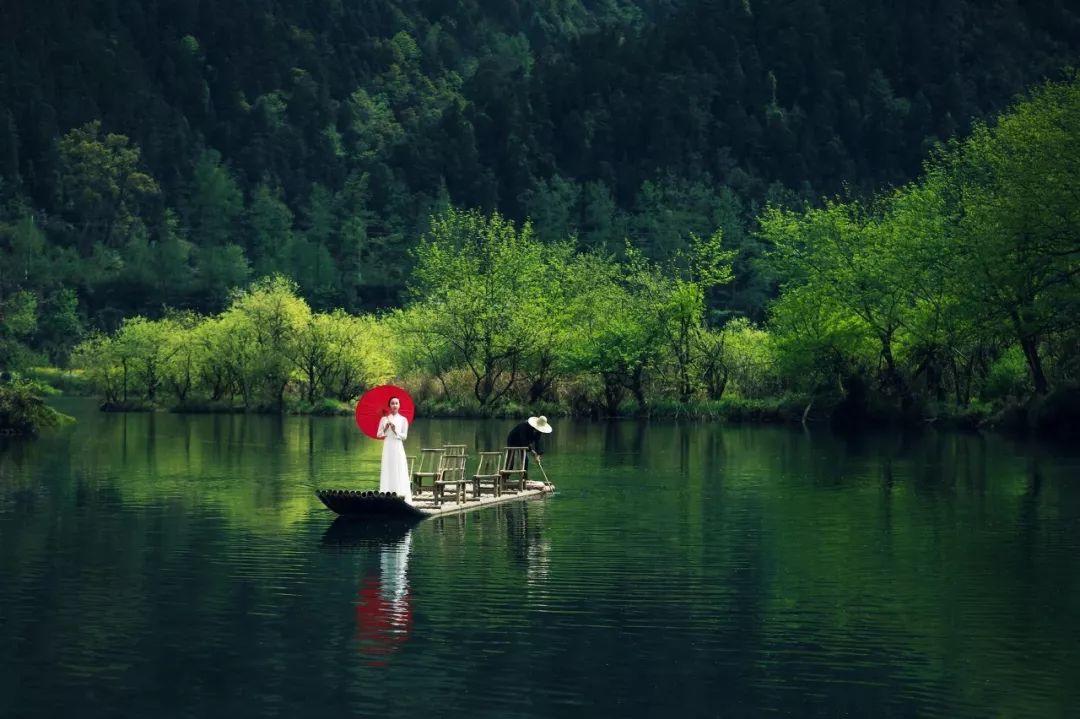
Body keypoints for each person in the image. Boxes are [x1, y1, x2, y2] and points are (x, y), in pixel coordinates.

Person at [377, 397, 412, 503]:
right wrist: (385, 429)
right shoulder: (384, 419)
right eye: (392, 403)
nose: (394, 405)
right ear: (389, 406)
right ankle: (386, 495)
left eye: (396, 403)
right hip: (388, 446)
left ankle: (400, 494)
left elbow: (404, 436)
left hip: (397, 446)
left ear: (399, 405)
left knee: (398, 467)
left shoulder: (403, 420)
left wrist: (395, 430)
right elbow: (378, 434)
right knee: (388, 467)